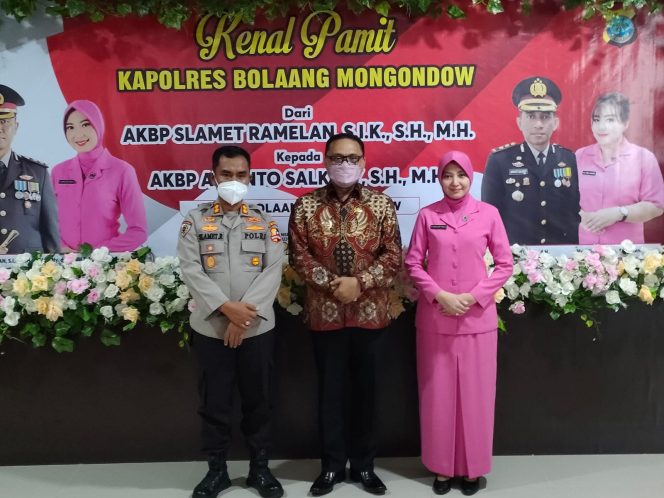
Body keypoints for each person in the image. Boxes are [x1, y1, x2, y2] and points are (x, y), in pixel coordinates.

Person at [288, 133, 402, 496]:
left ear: (364, 162)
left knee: (367, 394)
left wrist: (360, 282)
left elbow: (393, 256)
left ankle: (365, 466)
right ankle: (332, 467)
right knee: (330, 394)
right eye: (338, 158)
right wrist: (335, 285)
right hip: (325, 315)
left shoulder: (382, 204)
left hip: (371, 315)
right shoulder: (305, 206)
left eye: (352, 158)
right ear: (325, 161)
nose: (345, 165)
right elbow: (299, 256)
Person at [177, 145, 285, 498]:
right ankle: (217, 471)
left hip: (256, 329)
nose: (234, 181)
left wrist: (243, 317)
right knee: (214, 404)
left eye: (241, 175)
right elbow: (191, 269)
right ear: (214, 177)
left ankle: (260, 470)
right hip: (212, 329)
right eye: (226, 174)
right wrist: (227, 309)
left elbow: (273, 270)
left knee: (259, 402)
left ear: (249, 178)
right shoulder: (195, 221)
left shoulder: (264, 222)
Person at [405, 151, 513, 496]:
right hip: (435, 319)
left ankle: (471, 469)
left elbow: (505, 264)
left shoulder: (489, 214)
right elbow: (413, 263)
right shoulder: (428, 215)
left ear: (470, 177)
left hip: (476, 319)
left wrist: (474, 296)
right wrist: (439, 295)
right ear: (439, 179)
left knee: (476, 396)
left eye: (461, 175)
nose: (455, 182)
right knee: (437, 395)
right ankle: (441, 468)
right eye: (448, 175)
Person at [481, 76, 580, 245]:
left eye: (545, 117)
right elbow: (491, 215)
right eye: (531, 116)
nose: (538, 124)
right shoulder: (500, 161)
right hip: (517, 253)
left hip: (561, 254)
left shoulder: (569, 159)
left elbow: (574, 212)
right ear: (519, 122)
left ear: (556, 123)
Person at [50, 100, 147, 252]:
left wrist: (98, 253)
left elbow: (139, 231)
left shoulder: (122, 171)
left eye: (85, 124)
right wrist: (60, 247)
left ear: (98, 125)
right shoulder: (58, 172)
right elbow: (46, 221)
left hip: (105, 263)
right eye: (70, 127)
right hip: (62, 262)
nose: (78, 134)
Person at [576, 92, 664, 244]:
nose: (601, 126)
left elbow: (656, 205)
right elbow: (563, 199)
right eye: (596, 120)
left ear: (625, 123)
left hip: (626, 251)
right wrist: (579, 215)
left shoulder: (643, 158)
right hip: (583, 250)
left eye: (610, 120)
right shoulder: (579, 156)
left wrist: (619, 213)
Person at [0, 84, 59, 254]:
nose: (0, 128)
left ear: (16, 127)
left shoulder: (37, 173)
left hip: (28, 268)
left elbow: (50, 232)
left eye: (4, 121)